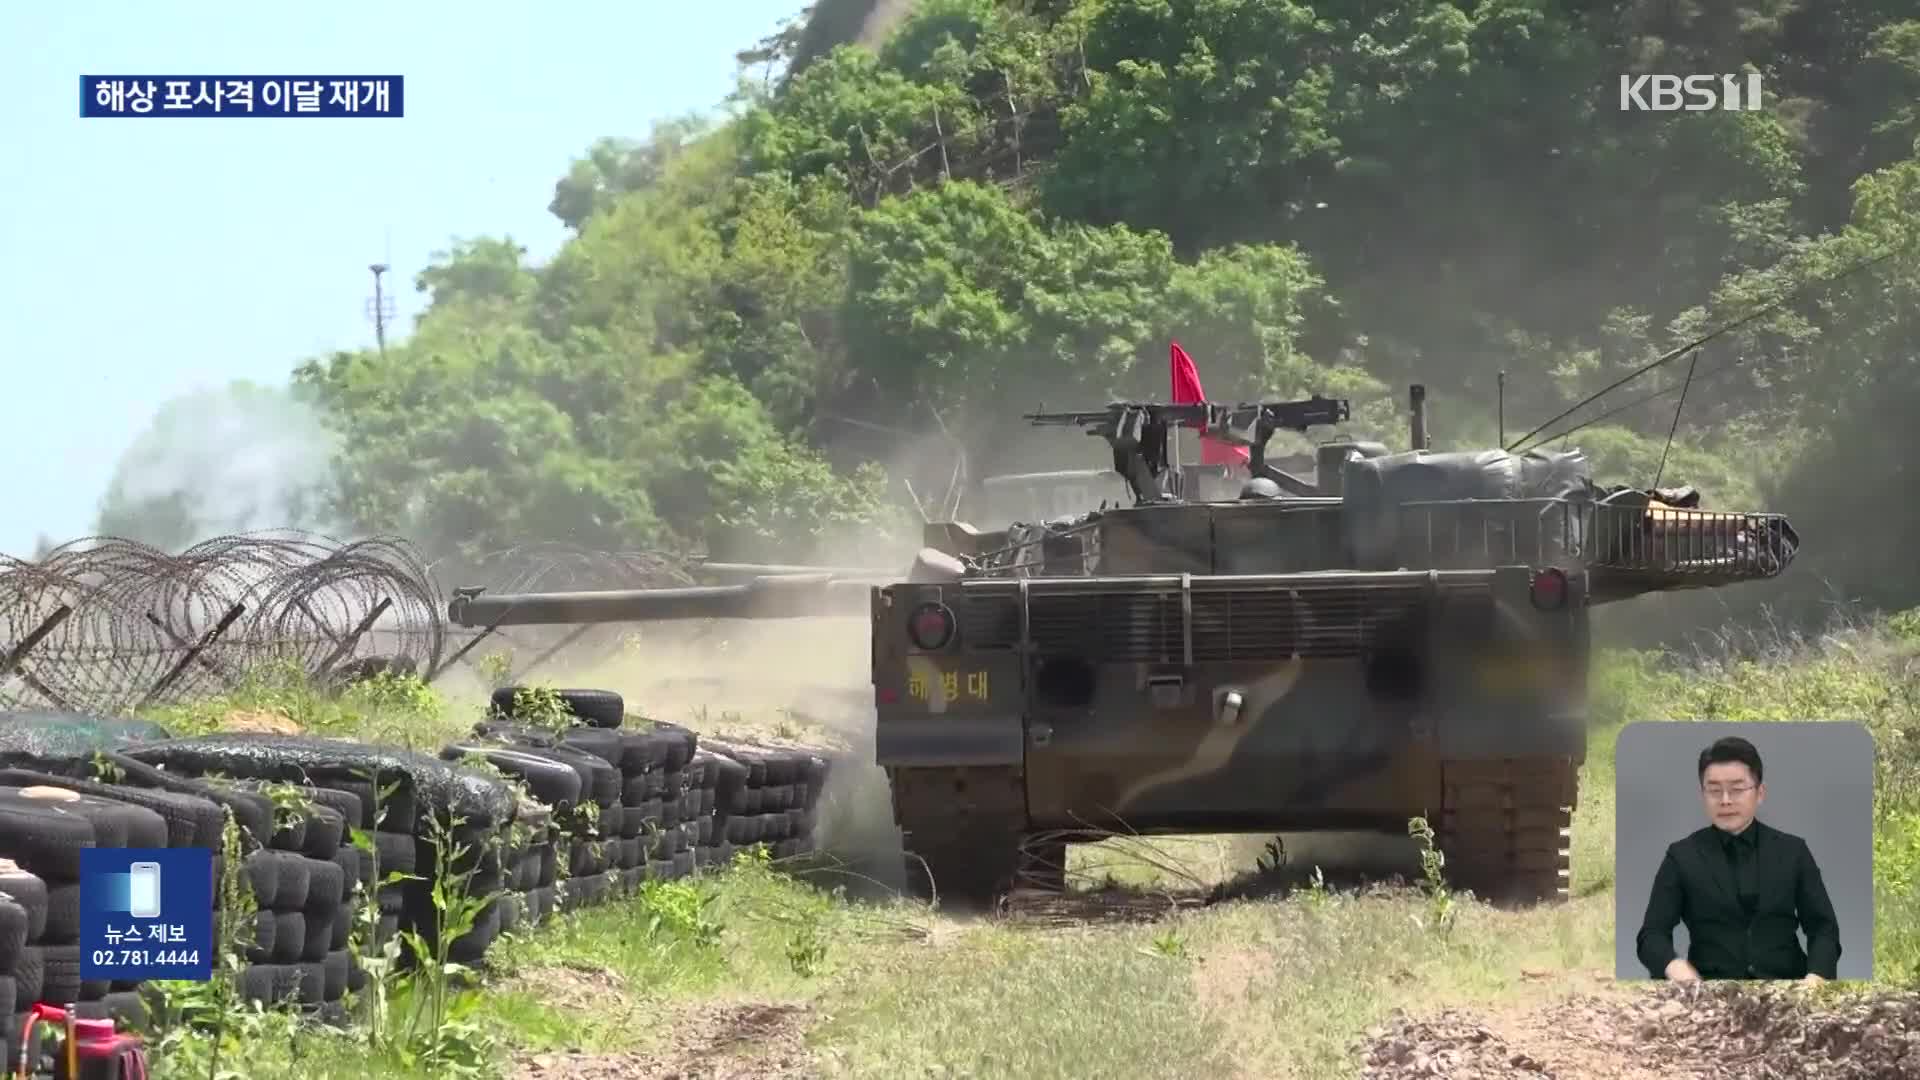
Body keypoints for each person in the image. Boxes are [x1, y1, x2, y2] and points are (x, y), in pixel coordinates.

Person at [1634, 735, 1840, 983]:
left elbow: (1823, 927)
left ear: (1760, 792)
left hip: (1789, 988)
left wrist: (1816, 977)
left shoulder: (1793, 850)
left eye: (1737, 789)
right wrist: (1674, 966)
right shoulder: (1681, 856)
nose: (1725, 800)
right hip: (1709, 990)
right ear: (1702, 794)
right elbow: (1652, 934)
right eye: (1714, 790)